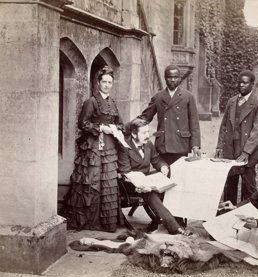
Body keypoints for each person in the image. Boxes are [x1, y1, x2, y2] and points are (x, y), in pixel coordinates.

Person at [64, 66, 125, 232]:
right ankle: (91, 222)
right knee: (93, 180)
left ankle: (107, 222)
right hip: (94, 147)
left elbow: (121, 122)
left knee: (109, 182)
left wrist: (116, 128)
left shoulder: (112, 103)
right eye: (104, 82)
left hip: (110, 146)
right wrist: (100, 128)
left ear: (112, 84)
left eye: (109, 82)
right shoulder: (91, 102)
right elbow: (82, 123)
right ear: (98, 83)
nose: (106, 85)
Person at [117, 118, 191, 236]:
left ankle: (176, 220)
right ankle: (175, 228)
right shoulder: (124, 147)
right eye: (144, 133)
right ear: (133, 134)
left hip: (145, 180)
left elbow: (157, 160)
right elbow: (125, 172)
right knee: (151, 193)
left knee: (171, 183)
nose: (148, 135)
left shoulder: (148, 144)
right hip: (130, 185)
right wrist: (142, 185)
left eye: (148, 131)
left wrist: (163, 167)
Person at [216, 70, 258, 205]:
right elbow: (224, 126)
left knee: (248, 186)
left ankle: (247, 215)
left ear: (252, 85)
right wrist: (220, 146)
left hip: (247, 151)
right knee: (229, 185)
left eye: (244, 83)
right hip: (230, 149)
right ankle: (227, 215)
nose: (241, 85)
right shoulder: (232, 102)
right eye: (239, 82)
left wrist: (246, 152)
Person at [138, 64, 201, 166]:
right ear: (165, 78)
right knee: (164, 174)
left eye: (175, 77)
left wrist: (195, 145)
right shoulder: (158, 97)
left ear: (179, 78)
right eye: (169, 77)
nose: (172, 80)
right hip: (163, 145)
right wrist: (127, 126)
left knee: (179, 176)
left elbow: (194, 123)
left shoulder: (188, 97)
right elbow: (145, 117)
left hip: (180, 144)